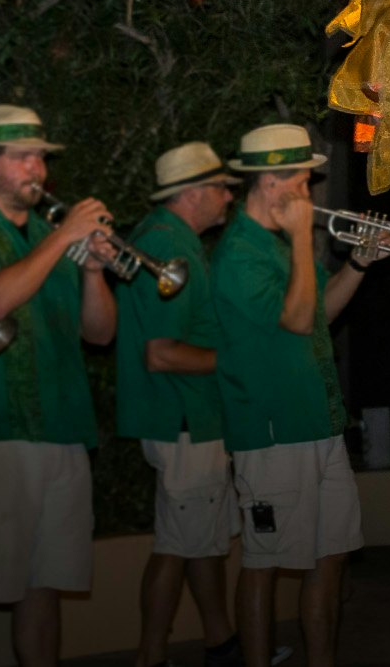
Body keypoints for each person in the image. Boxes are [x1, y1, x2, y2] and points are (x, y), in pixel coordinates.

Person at [0, 105, 118, 667]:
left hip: (61, 427)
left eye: (41, 156)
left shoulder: (46, 235)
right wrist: (64, 242)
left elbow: (100, 334)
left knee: (44, 587)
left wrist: (92, 269)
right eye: (24, 156)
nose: (38, 167)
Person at [213, 124, 385, 667]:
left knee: (330, 558)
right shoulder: (240, 251)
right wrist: (298, 238)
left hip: (319, 421)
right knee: (264, 563)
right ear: (269, 183)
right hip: (271, 433)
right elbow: (293, 318)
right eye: (302, 183)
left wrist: (359, 263)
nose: (309, 194)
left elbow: (320, 314)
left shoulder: (276, 242)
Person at [118, 142, 244, 667]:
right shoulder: (169, 249)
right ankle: (151, 656)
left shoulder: (171, 241)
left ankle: (222, 643)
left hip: (191, 419)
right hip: (184, 419)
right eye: (220, 187)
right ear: (192, 193)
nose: (229, 197)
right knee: (177, 544)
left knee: (197, 539)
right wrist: (240, 364)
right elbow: (163, 353)